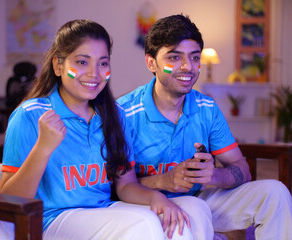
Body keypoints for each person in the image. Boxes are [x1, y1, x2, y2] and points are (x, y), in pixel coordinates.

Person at [0, 19, 193, 240]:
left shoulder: (115, 115)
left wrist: (155, 198)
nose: (95, 73)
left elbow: (126, 184)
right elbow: (9, 201)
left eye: (103, 63)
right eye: (82, 62)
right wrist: (43, 148)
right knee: (146, 225)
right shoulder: (30, 115)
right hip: (51, 220)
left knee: (179, 223)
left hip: (103, 210)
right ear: (58, 65)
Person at [117, 14, 292, 239]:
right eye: (174, 57)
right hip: (144, 206)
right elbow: (115, 188)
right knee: (193, 213)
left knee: (275, 193)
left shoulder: (206, 107)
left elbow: (242, 169)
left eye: (194, 58)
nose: (187, 67)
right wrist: (165, 181)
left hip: (199, 198)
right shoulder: (123, 113)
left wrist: (212, 176)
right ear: (151, 62)